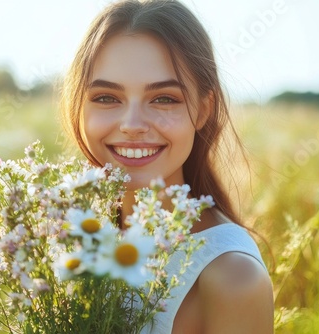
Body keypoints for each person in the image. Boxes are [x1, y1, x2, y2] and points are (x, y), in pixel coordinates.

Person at [60, 0, 274, 332]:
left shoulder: (232, 277)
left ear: (203, 109)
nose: (132, 124)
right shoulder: (68, 239)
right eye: (106, 97)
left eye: (164, 99)